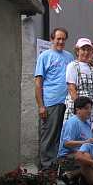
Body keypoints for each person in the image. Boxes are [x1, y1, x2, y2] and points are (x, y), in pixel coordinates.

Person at [34, 27, 74, 170]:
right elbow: (38, 83)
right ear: (52, 39)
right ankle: (46, 168)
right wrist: (41, 105)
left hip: (67, 103)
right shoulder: (45, 56)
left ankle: (57, 166)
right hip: (51, 102)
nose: (61, 41)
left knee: (61, 136)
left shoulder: (69, 57)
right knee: (49, 136)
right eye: (58, 38)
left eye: (63, 39)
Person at [64, 38, 93, 123]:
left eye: (88, 50)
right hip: (78, 104)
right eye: (83, 49)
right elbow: (71, 88)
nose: (86, 52)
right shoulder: (72, 66)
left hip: (92, 105)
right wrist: (80, 108)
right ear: (77, 51)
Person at [57, 96, 93, 185]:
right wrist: (85, 142)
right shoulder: (72, 122)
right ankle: (70, 174)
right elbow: (67, 143)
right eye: (86, 108)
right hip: (67, 156)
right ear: (78, 110)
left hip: (81, 154)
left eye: (90, 108)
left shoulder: (87, 124)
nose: (89, 111)